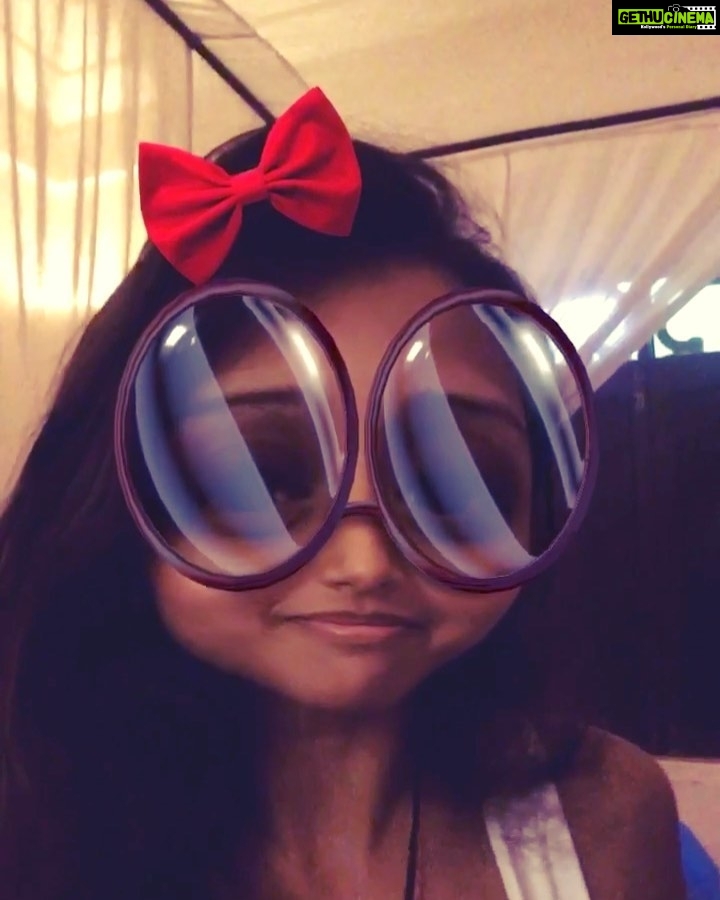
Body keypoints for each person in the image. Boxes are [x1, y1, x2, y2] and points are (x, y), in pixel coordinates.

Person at [0, 88, 687, 900]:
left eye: (455, 480)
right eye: (262, 477)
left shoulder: (604, 814)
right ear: (117, 495)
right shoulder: (30, 834)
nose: (365, 562)